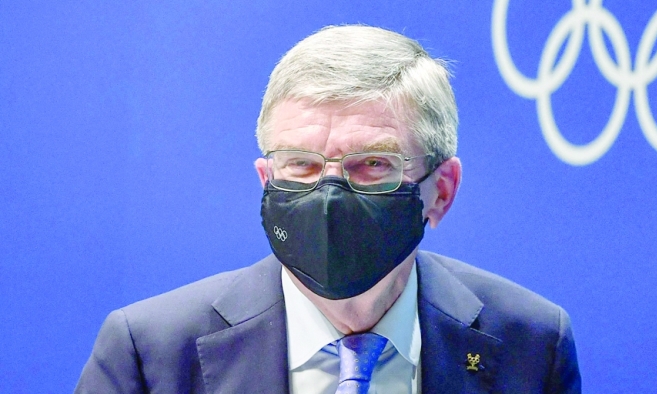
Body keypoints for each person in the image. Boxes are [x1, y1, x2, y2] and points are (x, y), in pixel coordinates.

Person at [76, 25, 581, 393]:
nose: (330, 195)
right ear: (266, 180)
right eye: (301, 164)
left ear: (441, 191)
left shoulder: (531, 347)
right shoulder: (152, 355)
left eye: (373, 163)